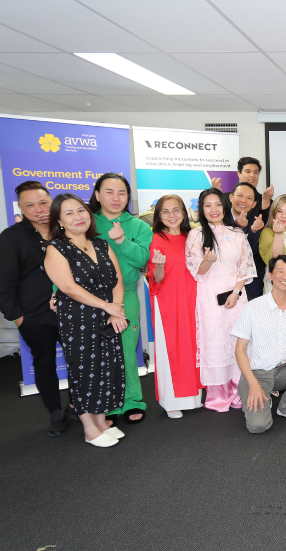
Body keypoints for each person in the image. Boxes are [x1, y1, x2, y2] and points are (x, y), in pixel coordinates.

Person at [44, 194, 127, 447]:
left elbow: (118, 281)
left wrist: (115, 311)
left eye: (80, 211)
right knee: (85, 371)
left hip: (107, 314)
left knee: (108, 368)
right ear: (59, 221)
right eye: (68, 213)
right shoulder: (55, 248)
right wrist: (107, 306)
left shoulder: (101, 244)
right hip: (78, 317)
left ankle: (101, 420)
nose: (77, 217)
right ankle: (89, 428)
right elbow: (68, 287)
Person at [0, 181, 68, 436]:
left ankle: (81, 407)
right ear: (22, 210)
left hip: (74, 313)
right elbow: (2, 287)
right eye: (30, 205)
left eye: (43, 202)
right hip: (35, 318)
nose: (39, 209)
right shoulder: (11, 238)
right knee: (45, 365)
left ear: (52, 202)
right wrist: (19, 319)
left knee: (82, 363)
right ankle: (56, 414)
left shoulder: (68, 229)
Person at [186, 188, 257, 412]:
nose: (214, 210)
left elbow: (245, 266)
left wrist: (236, 292)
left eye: (218, 204)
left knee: (238, 341)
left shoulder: (237, 233)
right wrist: (207, 261)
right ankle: (218, 396)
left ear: (225, 206)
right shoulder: (196, 235)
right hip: (209, 298)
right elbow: (197, 272)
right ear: (201, 209)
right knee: (215, 344)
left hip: (237, 296)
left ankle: (239, 392)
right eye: (208, 205)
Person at [88, 172, 152, 424]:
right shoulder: (87, 222)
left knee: (127, 348)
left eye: (122, 193)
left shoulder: (139, 226)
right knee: (98, 352)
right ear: (97, 195)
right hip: (89, 298)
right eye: (109, 192)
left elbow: (142, 260)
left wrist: (122, 241)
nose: (116, 198)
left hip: (126, 295)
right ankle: (107, 404)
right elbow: (65, 257)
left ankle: (132, 400)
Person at [231, 255, 286, 433]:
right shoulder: (252, 308)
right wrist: (253, 383)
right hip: (257, 374)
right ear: (270, 275)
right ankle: (262, 396)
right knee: (258, 426)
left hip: (285, 369)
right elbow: (239, 351)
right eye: (280, 271)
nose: (285, 276)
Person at [146, 195, 203, 419]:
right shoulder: (157, 239)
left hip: (192, 300)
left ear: (184, 213)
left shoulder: (192, 237)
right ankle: (171, 400)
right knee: (171, 347)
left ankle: (193, 396)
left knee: (192, 346)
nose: (172, 216)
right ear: (159, 216)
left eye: (176, 210)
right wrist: (159, 266)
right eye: (166, 212)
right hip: (168, 301)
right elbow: (156, 278)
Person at [229, 181, 266, 300]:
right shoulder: (219, 219)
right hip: (224, 282)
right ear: (231, 197)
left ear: (254, 204)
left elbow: (252, 252)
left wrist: (254, 231)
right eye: (240, 196)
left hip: (249, 285)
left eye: (249, 198)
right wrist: (236, 227)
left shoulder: (254, 223)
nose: (243, 201)